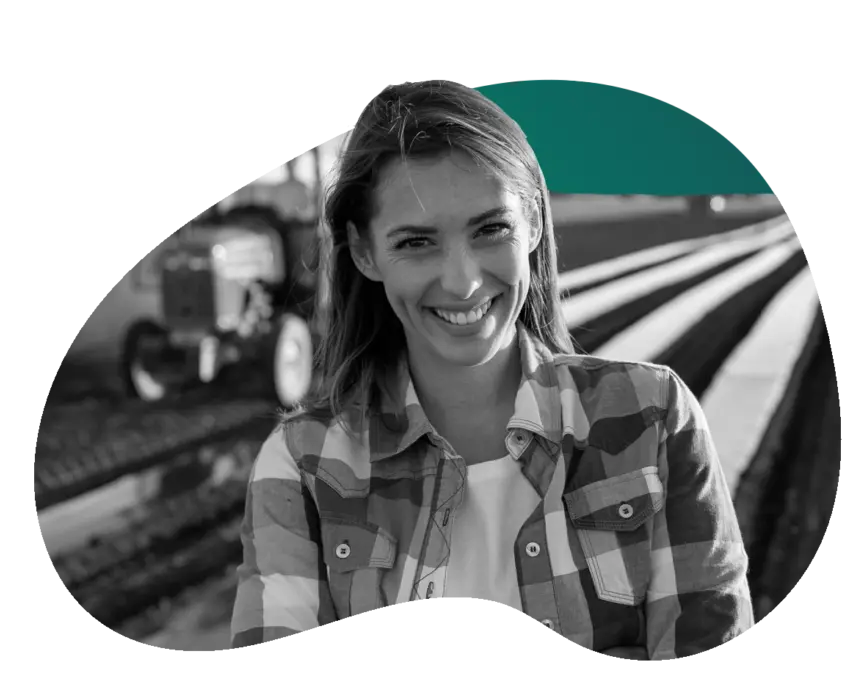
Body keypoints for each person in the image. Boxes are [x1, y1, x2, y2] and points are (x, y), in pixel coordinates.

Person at [230, 79, 756, 662]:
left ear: (532, 219)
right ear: (363, 253)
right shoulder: (304, 467)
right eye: (416, 242)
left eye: (490, 229)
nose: (463, 282)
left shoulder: (652, 419)